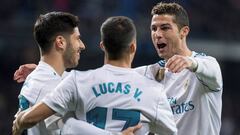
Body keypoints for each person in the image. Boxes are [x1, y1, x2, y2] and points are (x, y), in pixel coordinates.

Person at [12, 16, 177, 135]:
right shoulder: (154, 91)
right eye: (78, 39)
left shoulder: (75, 82)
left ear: (102, 46)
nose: (82, 45)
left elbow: (73, 88)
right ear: (133, 48)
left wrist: (43, 71)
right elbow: (67, 124)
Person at [135, 2, 223, 135]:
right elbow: (115, 75)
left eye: (165, 28)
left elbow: (213, 70)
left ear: (184, 31)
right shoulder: (149, 74)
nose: (157, 34)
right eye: (154, 29)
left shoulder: (204, 66)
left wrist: (191, 63)